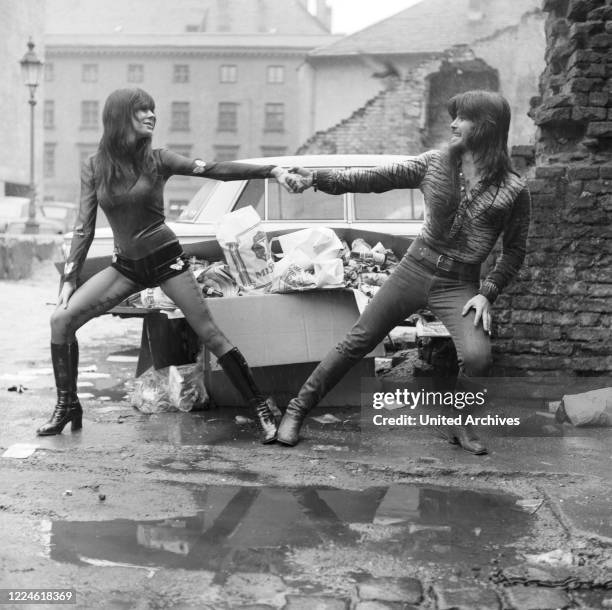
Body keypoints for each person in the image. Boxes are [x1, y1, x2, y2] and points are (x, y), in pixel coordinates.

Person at [37, 87, 297, 444]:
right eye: (141, 110)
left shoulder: (159, 159)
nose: (151, 115)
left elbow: (217, 169)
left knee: (209, 333)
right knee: (61, 320)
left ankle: (261, 411)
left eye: (152, 110)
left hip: (166, 262)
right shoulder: (95, 167)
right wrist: (69, 278)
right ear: (118, 117)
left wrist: (273, 171)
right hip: (126, 266)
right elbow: (84, 225)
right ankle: (67, 405)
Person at [279, 90, 531, 454]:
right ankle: (296, 410)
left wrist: (487, 292)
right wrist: (315, 177)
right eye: (454, 116)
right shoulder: (435, 163)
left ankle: (461, 425)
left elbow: (515, 251)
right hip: (415, 267)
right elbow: (373, 179)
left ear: (487, 126)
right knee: (357, 342)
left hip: (460, 284)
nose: (453, 123)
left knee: (478, 357)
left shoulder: (513, 189)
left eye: (463, 118)